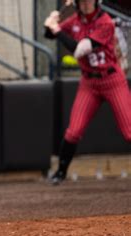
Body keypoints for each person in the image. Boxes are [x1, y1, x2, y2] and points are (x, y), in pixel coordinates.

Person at [44, 0, 131, 185]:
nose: (85, 4)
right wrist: (50, 23)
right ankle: (60, 172)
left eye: (88, 1)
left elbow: (80, 50)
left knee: (129, 131)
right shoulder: (75, 21)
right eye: (81, 1)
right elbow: (49, 35)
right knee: (73, 131)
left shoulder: (105, 22)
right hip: (89, 83)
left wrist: (56, 30)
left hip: (112, 80)